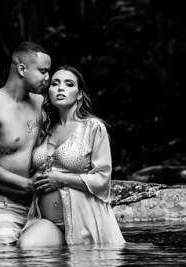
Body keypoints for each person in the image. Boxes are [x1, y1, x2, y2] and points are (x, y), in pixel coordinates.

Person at [18, 66, 125, 248]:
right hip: (48, 221)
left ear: (80, 94)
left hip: (85, 219)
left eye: (69, 84)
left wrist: (61, 179)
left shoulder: (93, 127)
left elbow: (103, 179)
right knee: (27, 247)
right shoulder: (44, 129)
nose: (61, 88)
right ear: (49, 92)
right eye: (55, 83)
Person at [0, 42, 51, 246]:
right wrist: (26, 184)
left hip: (33, 205)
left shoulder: (40, 103)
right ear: (22, 69)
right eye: (43, 71)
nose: (48, 78)